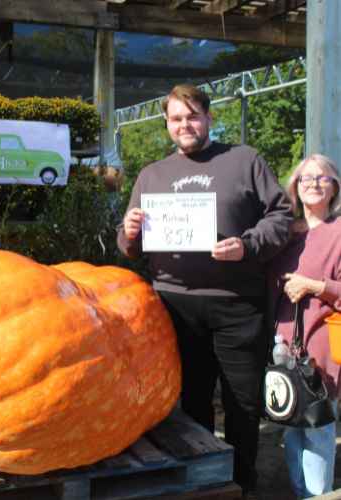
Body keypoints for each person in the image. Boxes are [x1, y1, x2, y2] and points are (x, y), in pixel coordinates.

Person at [117, 83, 293, 498]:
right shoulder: (152, 175)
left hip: (237, 306)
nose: (185, 124)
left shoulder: (243, 159)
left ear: (209, 118)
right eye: (176, 118)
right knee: (191, 402)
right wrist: (128, 232)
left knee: (242, 403)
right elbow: (129, 244)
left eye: (192, 115)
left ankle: (242, 482)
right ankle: (206, 483)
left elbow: (282, 216)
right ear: (167, 124)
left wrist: (248, 245)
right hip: (174, 306)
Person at [268, 154, 341, 498]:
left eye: (322, 178)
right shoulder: (284, 234)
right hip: (283, 343)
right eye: (306, 178)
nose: (313, 183)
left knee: (318, 427)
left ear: (334, 187)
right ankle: (302, 492)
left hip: (323, 344)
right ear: (295, 187)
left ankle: (317, 496)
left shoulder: (340, 231)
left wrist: (315, 286)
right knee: (290, 422)